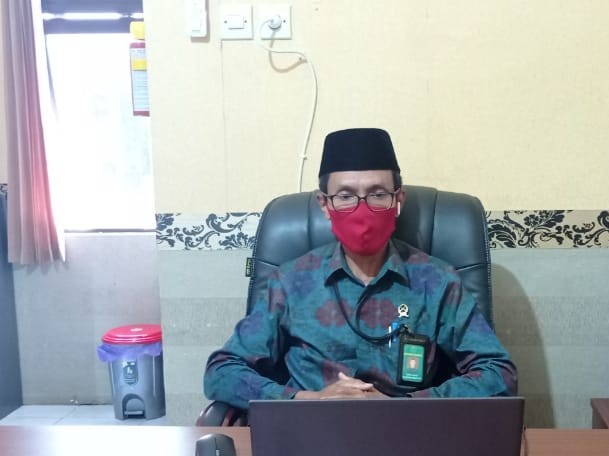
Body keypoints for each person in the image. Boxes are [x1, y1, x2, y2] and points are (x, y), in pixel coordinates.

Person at [203, 128, 517, 406]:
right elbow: (222, 372)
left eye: (378, 194)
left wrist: (404, 406)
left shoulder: (437, 281)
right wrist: (310, 400)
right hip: (311, 434)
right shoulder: (290, 282)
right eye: (345, 196)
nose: (362, 210)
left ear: (398, 200)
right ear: (325, 205)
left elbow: (499, 373)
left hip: (406, 435)